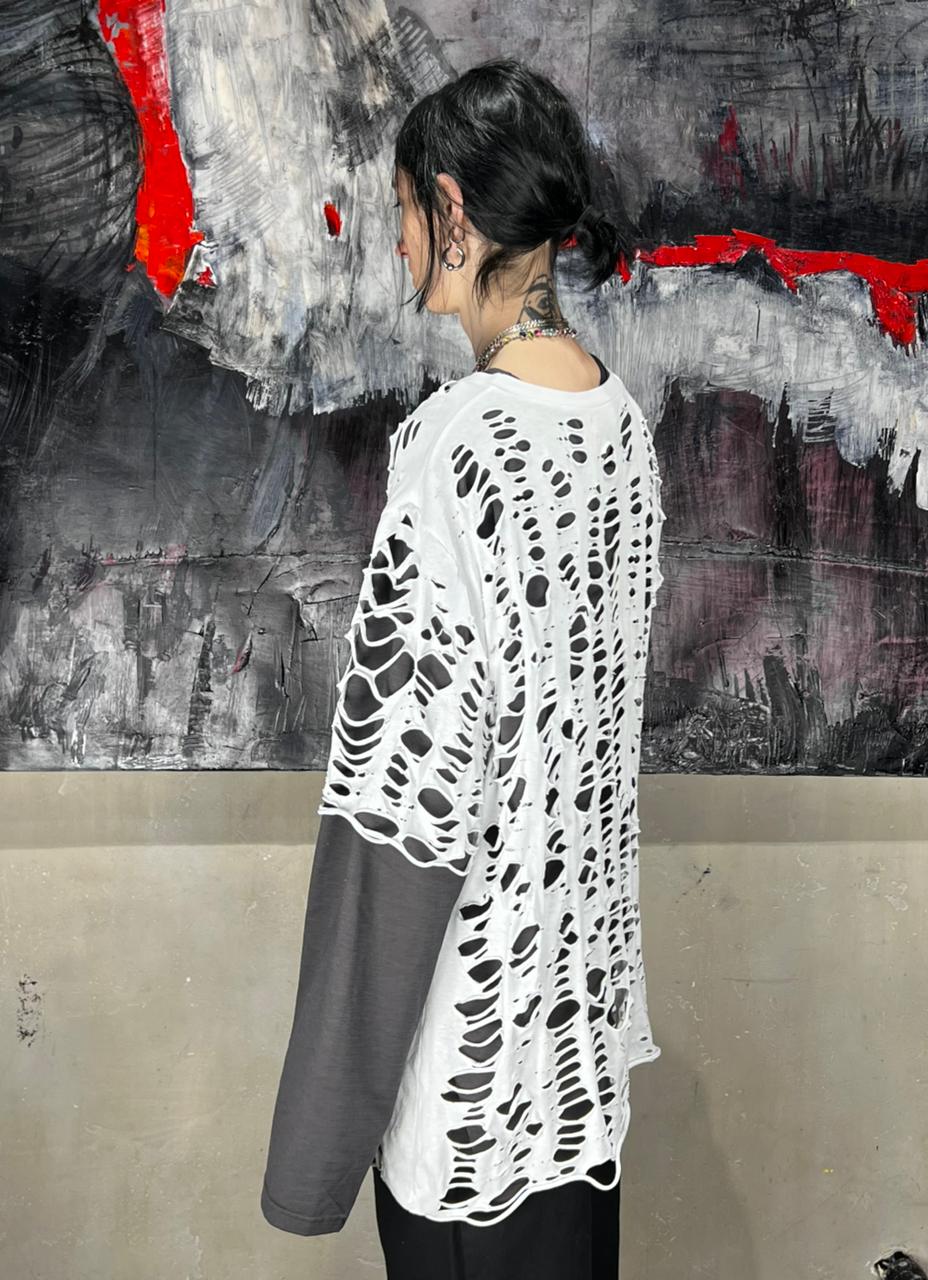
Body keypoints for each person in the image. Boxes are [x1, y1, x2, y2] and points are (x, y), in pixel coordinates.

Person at [260, 57, 666, 1280]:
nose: (394, 244)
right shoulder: (623, 427)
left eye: (402, 210)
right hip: (576, 1072)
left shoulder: (455, 447)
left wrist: (312, 1149)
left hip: (471, 1100)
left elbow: (399, 821)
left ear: (453, 211)